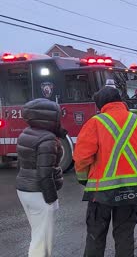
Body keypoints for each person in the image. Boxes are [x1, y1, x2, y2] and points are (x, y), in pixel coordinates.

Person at [73, 86, 137, 257]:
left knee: (96, 236)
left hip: (100, 192)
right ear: (120, 100)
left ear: (100, 104)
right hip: (130, 190)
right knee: (124, 236)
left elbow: (81, 157)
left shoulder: (95, 122)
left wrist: (82, 178)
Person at [16, 98, 66, 257]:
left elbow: (21, 163)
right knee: (41, 241)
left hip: (24, 189)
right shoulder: (47, 139)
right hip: (40, 193)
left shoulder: (26, 133)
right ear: (49, 117)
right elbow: (45, 173)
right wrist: (51, 198)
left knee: (37, 234)